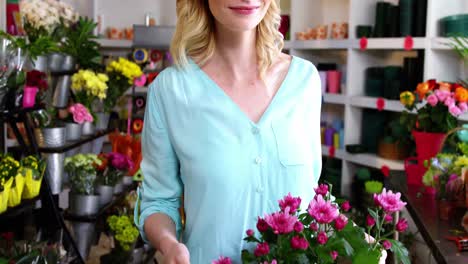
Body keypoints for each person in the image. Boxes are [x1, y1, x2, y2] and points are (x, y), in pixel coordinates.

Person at [135, 0, 322, 263]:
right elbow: (158, 202)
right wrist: (169, 245)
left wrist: (355, 239)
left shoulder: (305, 81)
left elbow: (313, 194)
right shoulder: (171, 91)